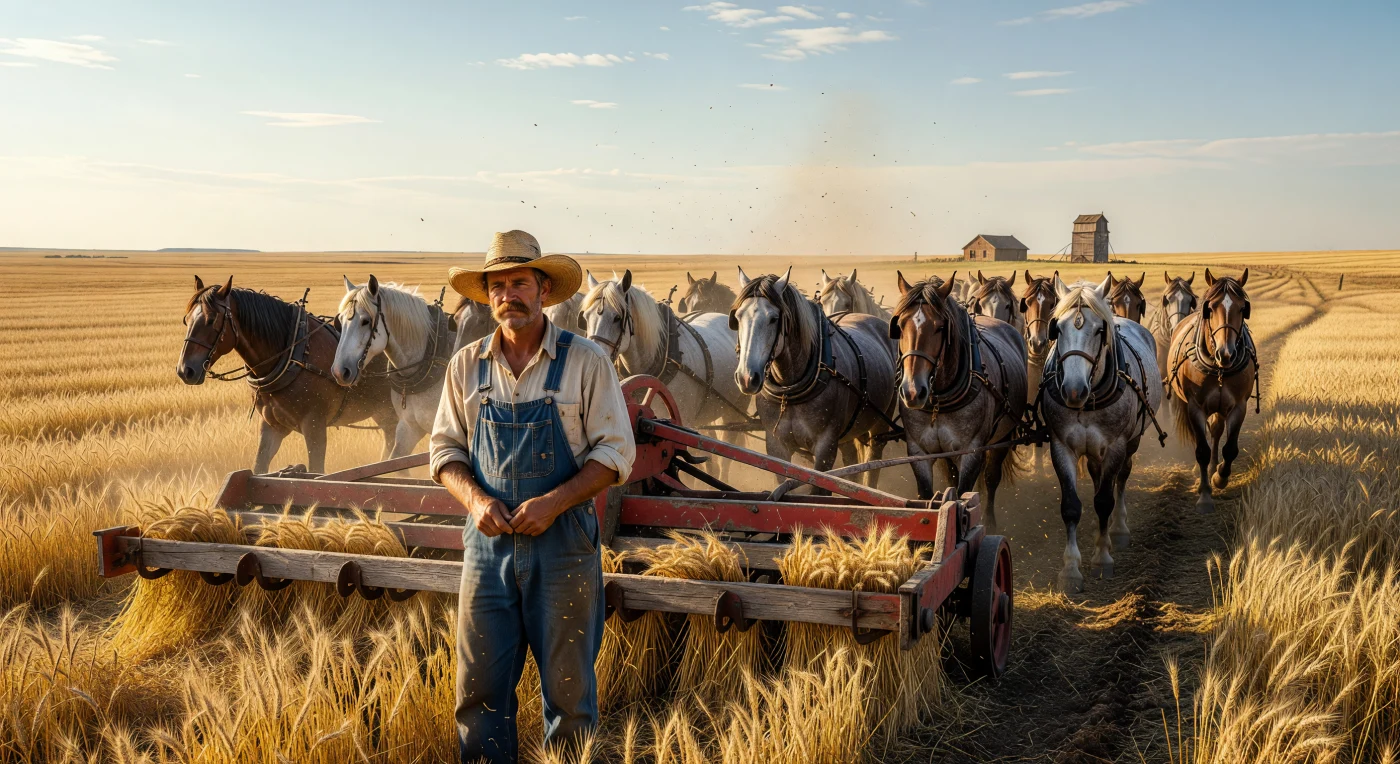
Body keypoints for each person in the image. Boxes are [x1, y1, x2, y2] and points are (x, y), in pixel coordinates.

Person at [430, 230, 635, 763]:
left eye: (519, 282)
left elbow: (616, 455)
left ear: (544, 289)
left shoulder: (586, 362)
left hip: (563, 550)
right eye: (497, 286)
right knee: (478, 695)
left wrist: (554, 503)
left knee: (569, 701)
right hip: (486, 552)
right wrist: (475, 502)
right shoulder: (465, 366)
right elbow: (444, 453)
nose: (507, 295)